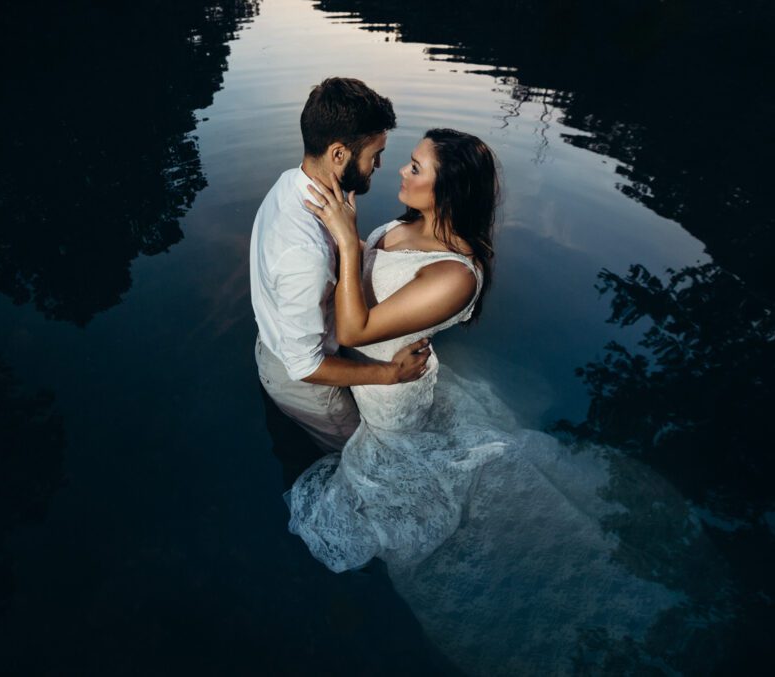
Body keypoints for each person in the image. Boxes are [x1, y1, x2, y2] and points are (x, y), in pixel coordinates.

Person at [286, 129, 719, 674]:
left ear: (449, 190)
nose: (401, 171)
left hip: (391, 394)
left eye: (416, 168)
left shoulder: (454, 276)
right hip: (381, 373)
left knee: (414, 491)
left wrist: (349, 243)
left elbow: (356, 326)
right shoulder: (403, 224)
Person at [249, 77, 431, 454]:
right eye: (373, 154)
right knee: (362, 461)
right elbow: (306, 366)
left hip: (276, 345)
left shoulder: (292, 183)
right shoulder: (305, 253)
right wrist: (392, 374)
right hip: (308, 386)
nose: (380, 165)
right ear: (338, 154)